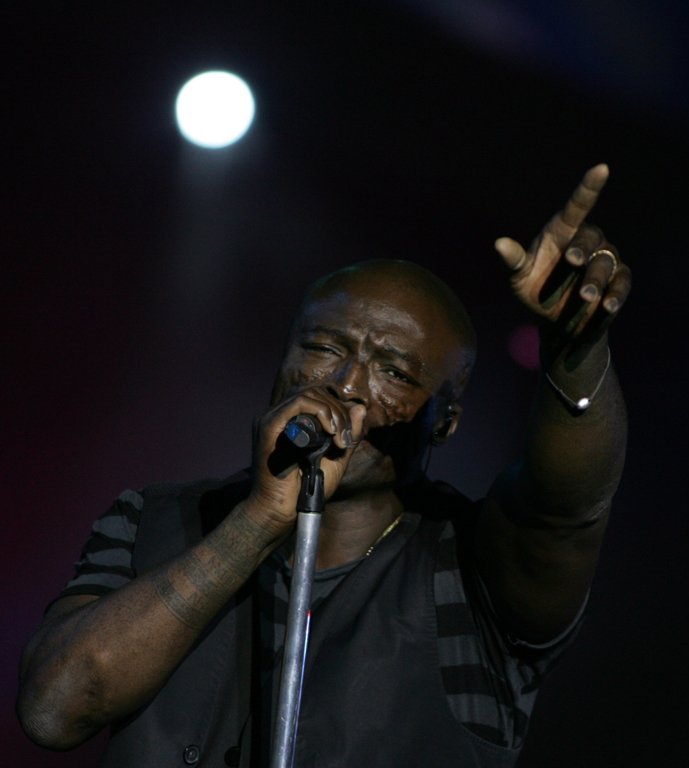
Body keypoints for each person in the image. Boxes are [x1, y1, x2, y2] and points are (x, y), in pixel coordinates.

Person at [17, 165, 630, 767]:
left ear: (444, 423)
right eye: (323, 348)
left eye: (394, 372)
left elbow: (565, 508)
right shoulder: (155, 518)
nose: (346, 384)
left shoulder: (472, 567)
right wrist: (258, 521)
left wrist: (574, 354)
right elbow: (54, 710)